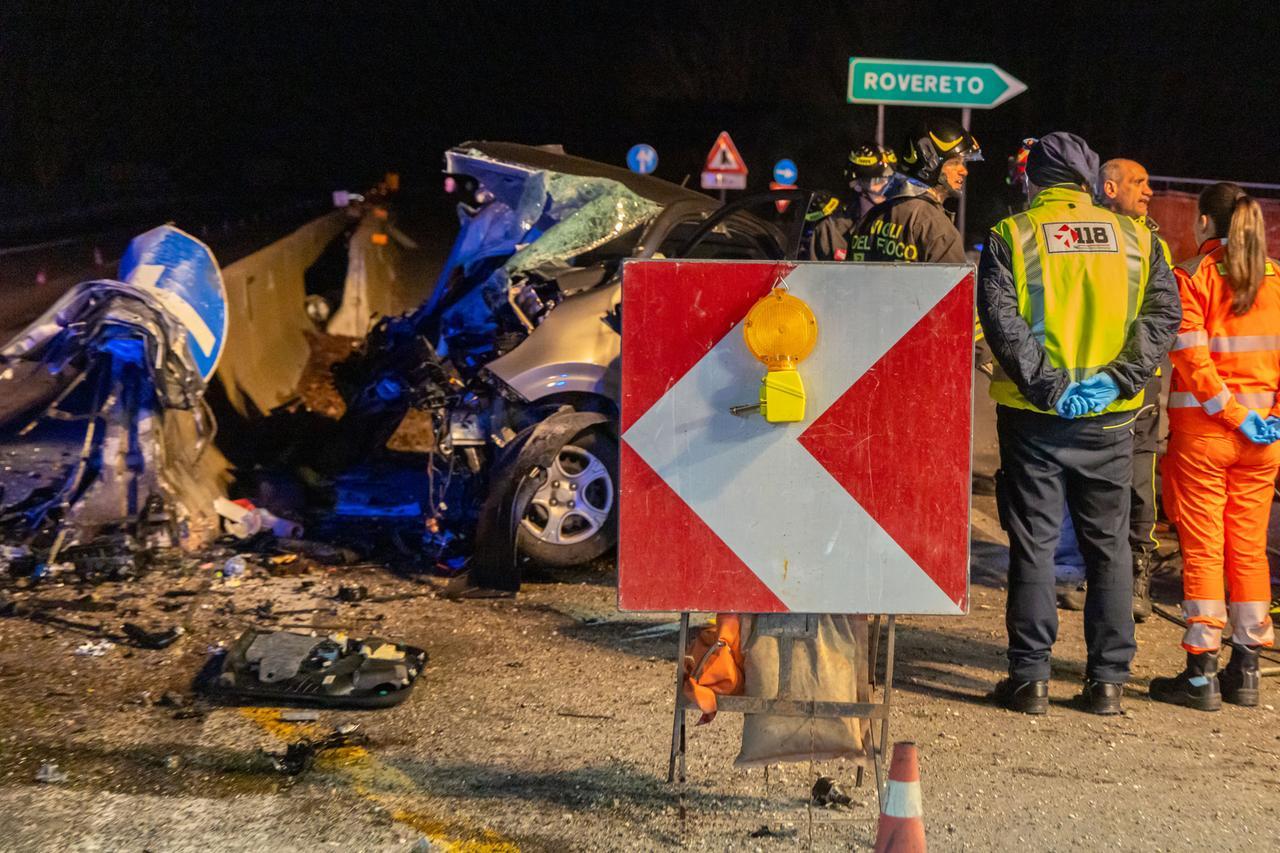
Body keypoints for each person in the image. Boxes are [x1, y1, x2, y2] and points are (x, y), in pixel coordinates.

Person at [977, 132, 1180, 715]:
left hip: (1034, 418)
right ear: (1090, 180)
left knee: (1035, 545)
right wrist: (1118, 379)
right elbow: (1164, 313)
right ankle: (1107, 682)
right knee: (1109, 548)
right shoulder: (1138, 238)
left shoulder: (1011, 235)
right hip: (1112, 420)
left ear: (1032, 179)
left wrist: (1050, 387)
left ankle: (1031, 679)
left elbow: (1000, 318)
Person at [1149, 183, 1280, 711]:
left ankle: (1201, 674)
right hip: (1262, 441)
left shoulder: (1192, 276)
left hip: (1207, 437)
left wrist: (1233, 415)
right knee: (1248, 549)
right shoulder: (1276, 281)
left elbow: (1192, 361)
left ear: (1204, 222)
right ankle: (1245, 670)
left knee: (1204, 548)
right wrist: (1270, 419)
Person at [1058, 158, 1172, 620]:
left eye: (1148, 183)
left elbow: (1163, 315)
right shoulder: (1091, 237)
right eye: (1138, 183)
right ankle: (1095, 573)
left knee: (1139, 486)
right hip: (1089, 387)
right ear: (1109, 188)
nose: (1148, 191)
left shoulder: (1150, 241)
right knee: (1090, 489)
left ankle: (1135, 579)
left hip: (1136, 386)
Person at [845, 117, 981, 264]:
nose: (963, 171)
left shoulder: (871, 217)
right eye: (954, 162)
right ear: (930, 164)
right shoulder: (935, 226)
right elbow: (955, 286)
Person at [808, 143, 896, 261]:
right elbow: (815, 276)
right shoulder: (832, 229)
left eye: (891, 179)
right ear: (856, 184)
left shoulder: (901, 222)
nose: (887, 186)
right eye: (878, 180)